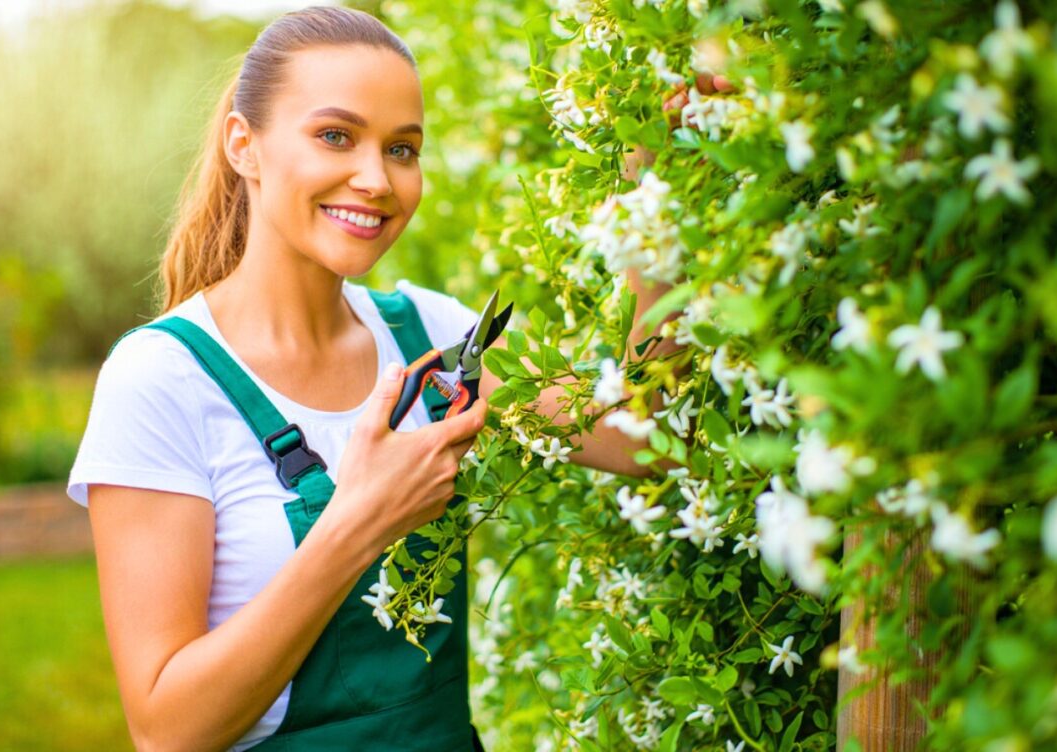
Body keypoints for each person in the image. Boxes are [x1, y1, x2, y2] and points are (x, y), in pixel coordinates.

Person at [68, 6, 666, 751]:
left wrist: (655, 194)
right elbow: (167, 730)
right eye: (334, 136)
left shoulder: (435, 341)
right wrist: (359, 520)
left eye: (403, 149)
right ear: (243, 146)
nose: (377, 179)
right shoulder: (160, 381)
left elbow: (644, 436)